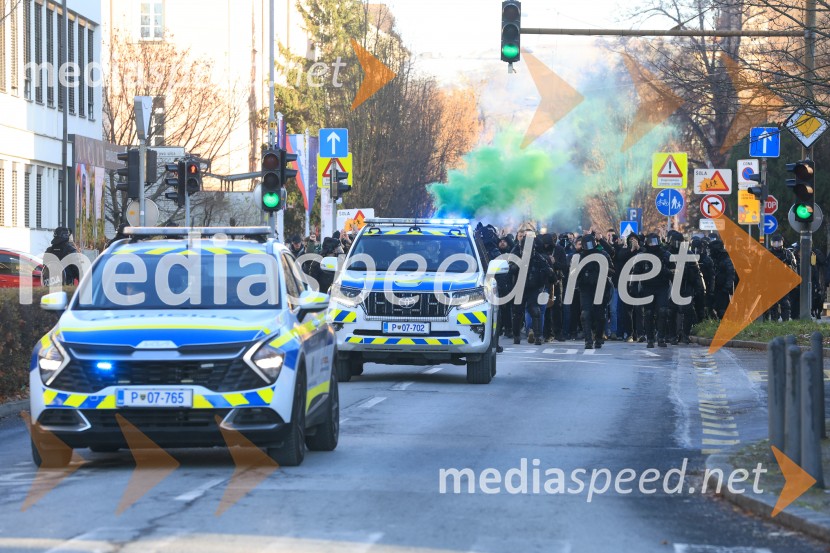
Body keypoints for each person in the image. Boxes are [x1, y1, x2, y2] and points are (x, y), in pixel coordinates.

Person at [575, 233, 614, 350]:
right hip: (585, 289)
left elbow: (612, 270)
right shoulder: (580, 257)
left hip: (600, 288)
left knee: (600, 315)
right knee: (585, 314)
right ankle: (588, 340)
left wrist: (603, 269)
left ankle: (598, 338)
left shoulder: (602, 254)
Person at [666, 231, 704, 344]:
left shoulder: (689, 254)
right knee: (671, 312)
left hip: (686, 285)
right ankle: (672, 335)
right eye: (675, 241)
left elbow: (696, 272)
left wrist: (698, 288)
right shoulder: (668, 253)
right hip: (672, 286)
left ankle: (685, 334)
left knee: (688, 311)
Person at [637, 232, 671, 348]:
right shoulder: (643, 256)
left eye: (654, 242)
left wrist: (665, 270)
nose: (652, 245)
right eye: (650, 242)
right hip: (647, 287)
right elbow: (636, 272)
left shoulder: (665, 254)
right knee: (648, 313)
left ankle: (661, 337)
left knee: (663, 311)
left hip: (662, 286)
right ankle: (650, 338)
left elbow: (674, 270)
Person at [766, 233, 797, 321]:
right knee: (773, 303)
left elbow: (794, 267)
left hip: (784, 281)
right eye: (774, 242)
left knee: (785, 303)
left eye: (778, 242)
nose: (776, 245)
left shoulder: (787, 253)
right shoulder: (768, 253)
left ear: (782, 242)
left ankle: (785, 321)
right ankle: (774, 320)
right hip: (771, 281)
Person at [708, 239, 736, 320]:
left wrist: (727, 287)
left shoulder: (726, 260)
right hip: (714, 288)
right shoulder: (713, 259)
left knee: (722, 310)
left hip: (722, 289)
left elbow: (731, 274)